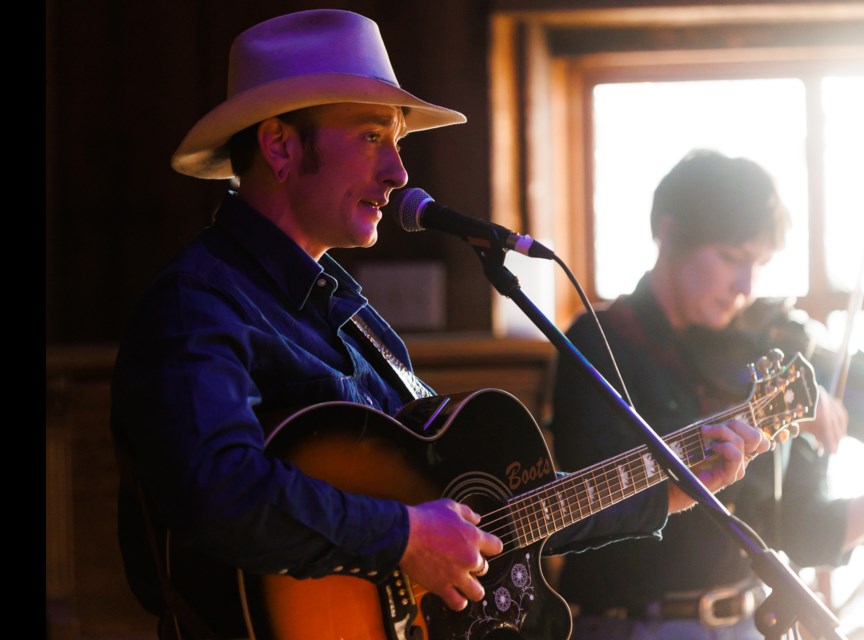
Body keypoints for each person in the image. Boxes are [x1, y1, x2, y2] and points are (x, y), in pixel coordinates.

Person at [109, 13, 771, 640]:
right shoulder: (198, 304)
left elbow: (486, 515)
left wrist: (668, 490)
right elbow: (215, 490)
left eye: (397, 143)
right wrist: (401, 536)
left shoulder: (349, 312)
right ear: (280, 145)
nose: (398, 173)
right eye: (372, 137)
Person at [549, 149, 864, 640]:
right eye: (731, 258)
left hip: (746, 623)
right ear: (669, 233)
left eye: (759, 265)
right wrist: (752, 419)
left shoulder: (762, 350)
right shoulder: (598, 341)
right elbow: (592, 511)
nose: (745, 286)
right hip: (634, 626)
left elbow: (809, 532)